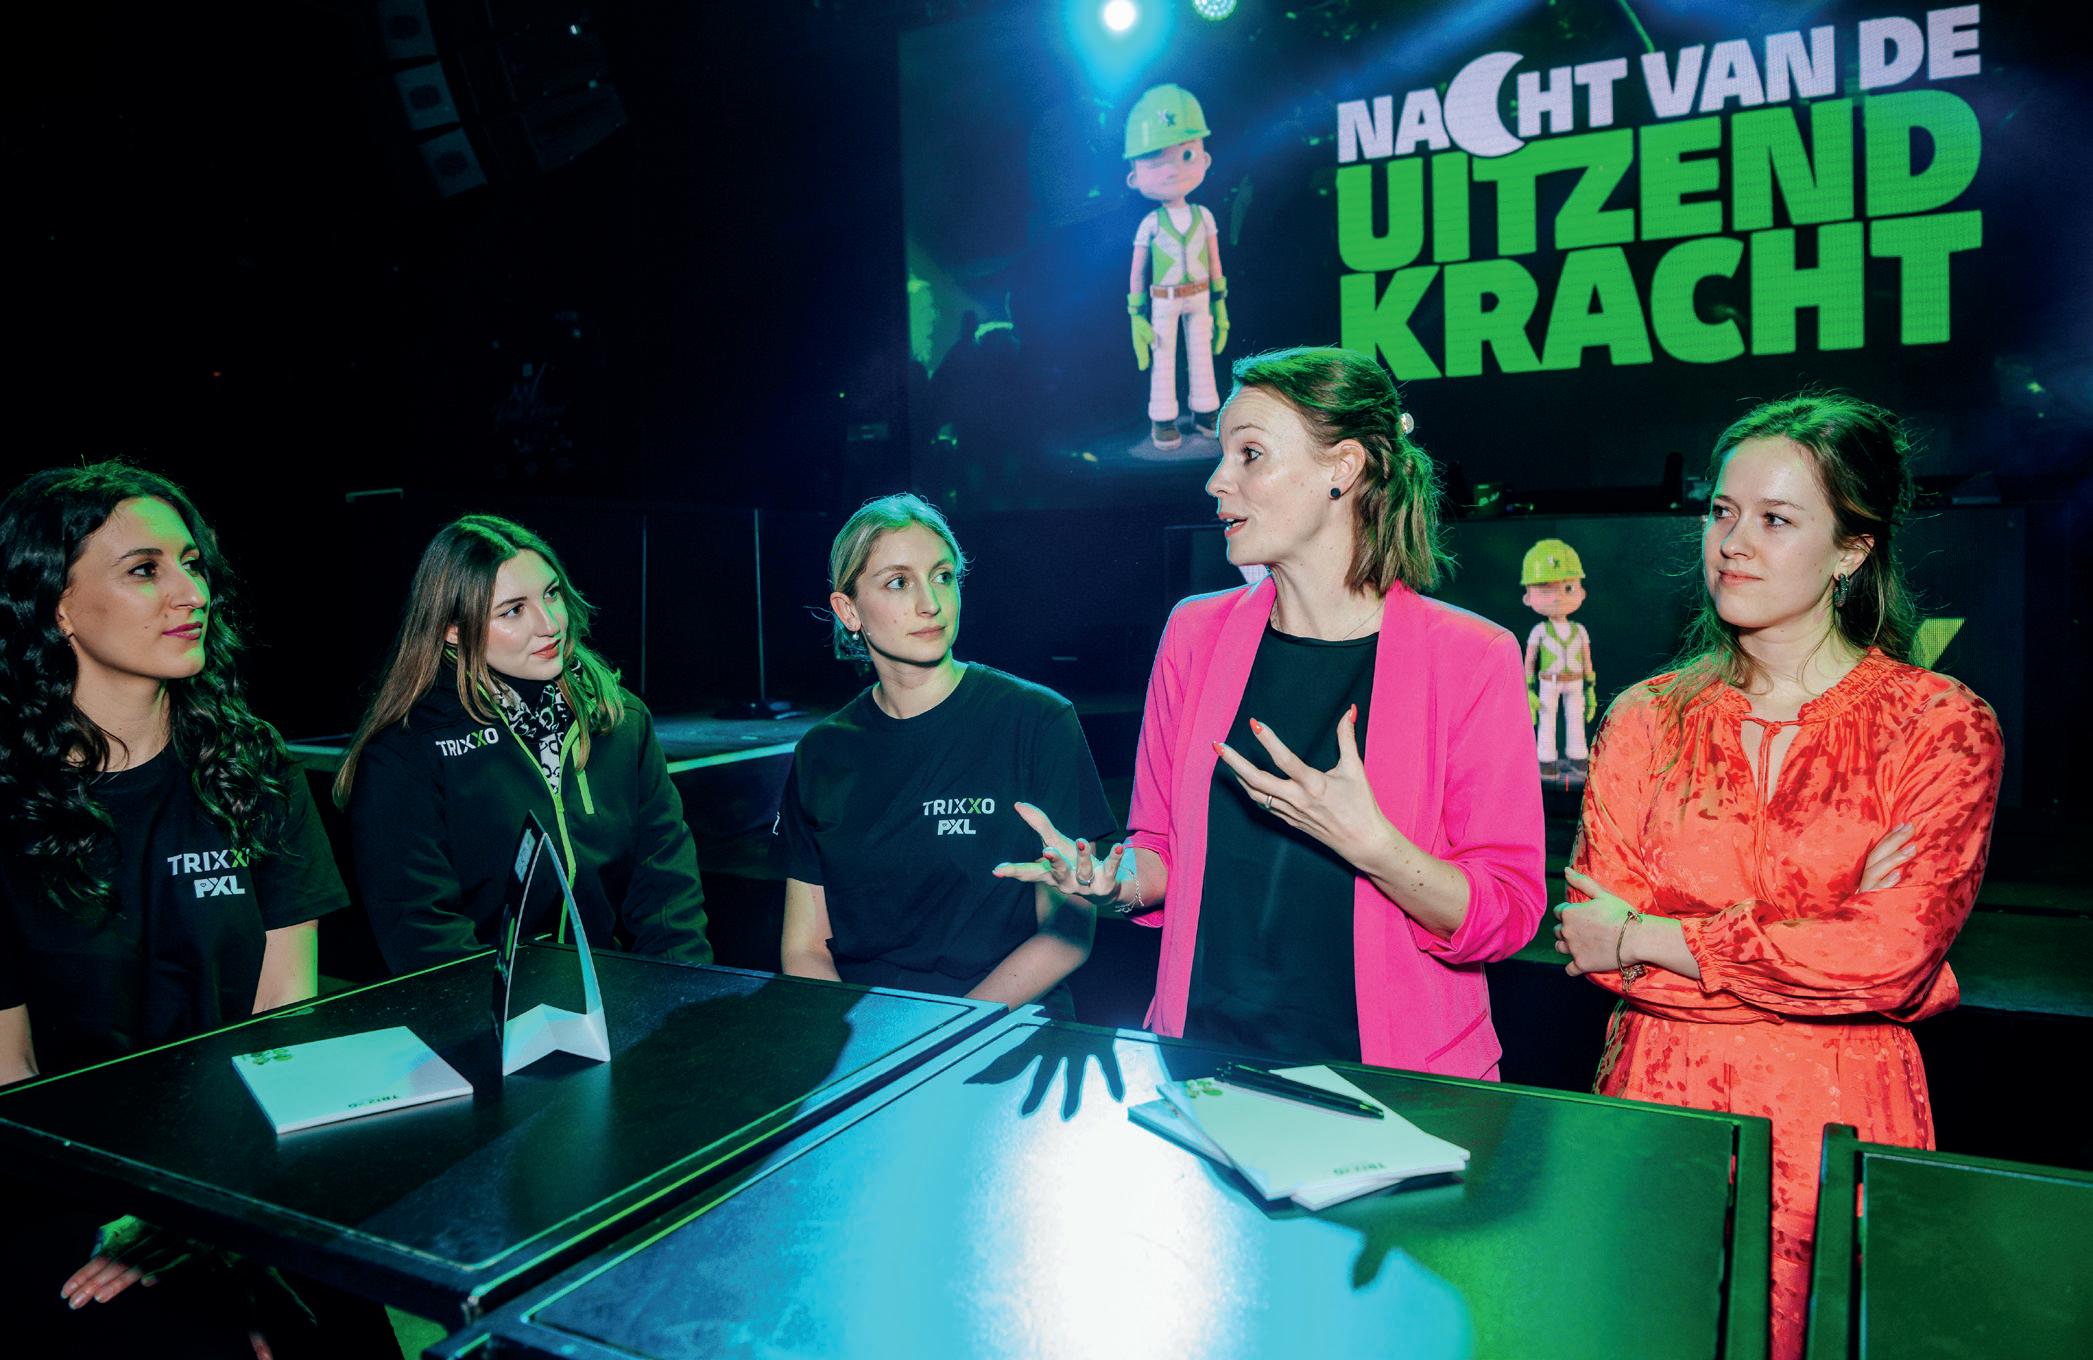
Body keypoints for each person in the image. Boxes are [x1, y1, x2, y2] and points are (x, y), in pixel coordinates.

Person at [1552, 393, 2004, 1360]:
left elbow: (1886, 958)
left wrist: (1648, 937)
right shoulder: (1643, 718)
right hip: (1657, 1116)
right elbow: (1590, 949)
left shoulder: (1936, 724)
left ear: (1851, 550)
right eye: (1721, 512)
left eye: (1775, 519)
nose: (1732, 544)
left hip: (1841, 1122)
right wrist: (1826, 933)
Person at [1007, 346, 1547, 1071]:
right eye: (1223, 455)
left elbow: (1508, 914)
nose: (1216, 480)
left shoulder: (1471, 657)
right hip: (1201, 1062)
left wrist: (1373, 846)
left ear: (1341, 468)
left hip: (1393, 1085)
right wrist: (1111, 882)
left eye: (1250, 454)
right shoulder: (1193, 635)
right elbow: (1159, 848)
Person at [0, 463, 391, 1356]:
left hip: (243, 1161)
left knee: (346, 1330)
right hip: (66, 1188)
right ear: (58, 608)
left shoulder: (255, 770)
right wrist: (141, 1217)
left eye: (192, 563)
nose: (192, 593)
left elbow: (287, 1015)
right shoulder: (10, 810)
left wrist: (215, 1213)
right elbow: (11, 1078)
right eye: (145, 570)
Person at [775, 494, 1114, 1015]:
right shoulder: (822, 751)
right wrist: (852, 1042)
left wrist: (942, 1036)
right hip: (863, 1031)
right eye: (898, 582)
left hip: (1002, 1027)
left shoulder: (1037, 721)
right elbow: (804, 948)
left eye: (943, 576)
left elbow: (1066, 937)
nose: (930, 602)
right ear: (849, 611)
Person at [337, 514, 710, 974]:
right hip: (478, 1009)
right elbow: (424, 935)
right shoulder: (406, 752)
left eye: (551, 594)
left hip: (608, 997)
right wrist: (510, 1014)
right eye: (513, 610)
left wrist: (683, 994)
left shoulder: (620, 719)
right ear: (454, 629)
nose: (549, 623)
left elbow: (666, 888)